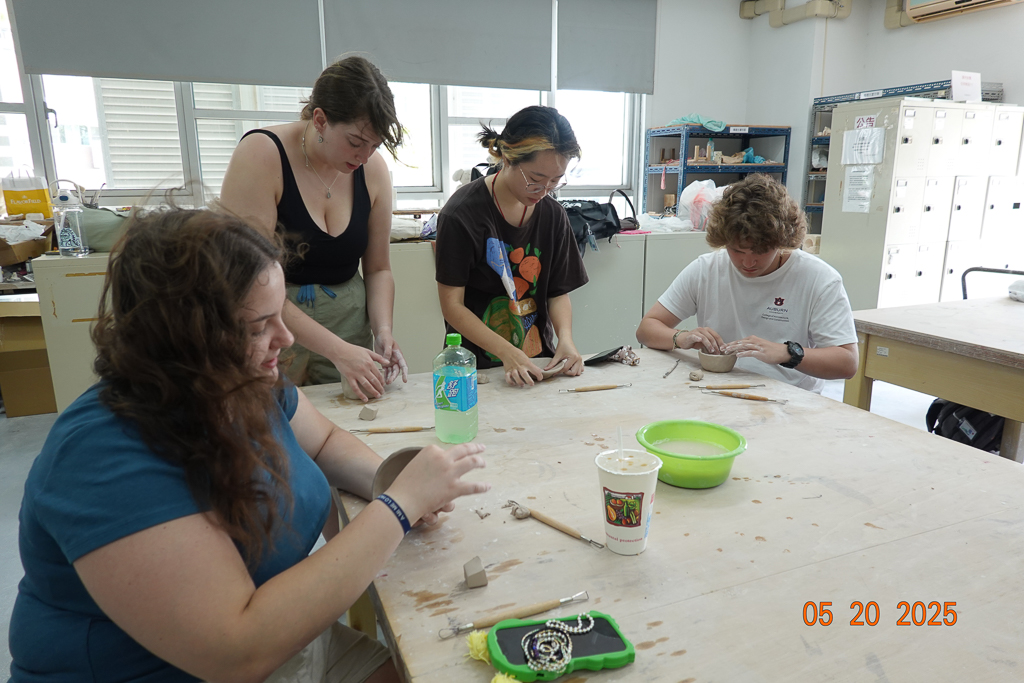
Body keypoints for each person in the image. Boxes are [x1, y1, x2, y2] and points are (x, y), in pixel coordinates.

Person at [9, 208, 489, 682]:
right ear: (185, 339)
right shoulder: (104, 460)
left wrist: (390, 480)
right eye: (258, 327)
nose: (286, 338)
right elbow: (237, 652)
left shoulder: (240, 381)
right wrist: (398, 506)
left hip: (284, 639)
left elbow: (323, 443)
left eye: (280, 315)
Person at [218, 55, 405, 401]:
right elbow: (249, 279)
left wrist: (383, 331)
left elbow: (378, 268)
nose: (364, 156)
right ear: (320, 120)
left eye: (375, 145)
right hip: (272, 322)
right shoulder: (261, 154)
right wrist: (336, 350)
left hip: (349, 321)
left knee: (352, 419)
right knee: (273, 418)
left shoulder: (373, 169)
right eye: (355, 142)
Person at [636, 174, 858, 392]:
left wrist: (787, 353)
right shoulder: (706, 269)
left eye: (761, 251)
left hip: (789, 396)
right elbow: (646, 329)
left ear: (782, 241)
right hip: (716, 389)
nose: (748, 262)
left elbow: (847, 362)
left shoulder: (819, 278)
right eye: (737, 251)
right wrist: (681, 338)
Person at [435, 106, 589, 387]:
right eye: (535, 179)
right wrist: (507, 352)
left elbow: (557, 292)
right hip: (475, 370)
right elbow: (452, 306)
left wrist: (566, 340)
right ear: (507, 158)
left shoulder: (553, 215)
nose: (544, 191)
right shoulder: (461, 214)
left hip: (538, 363)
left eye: (555, 181)